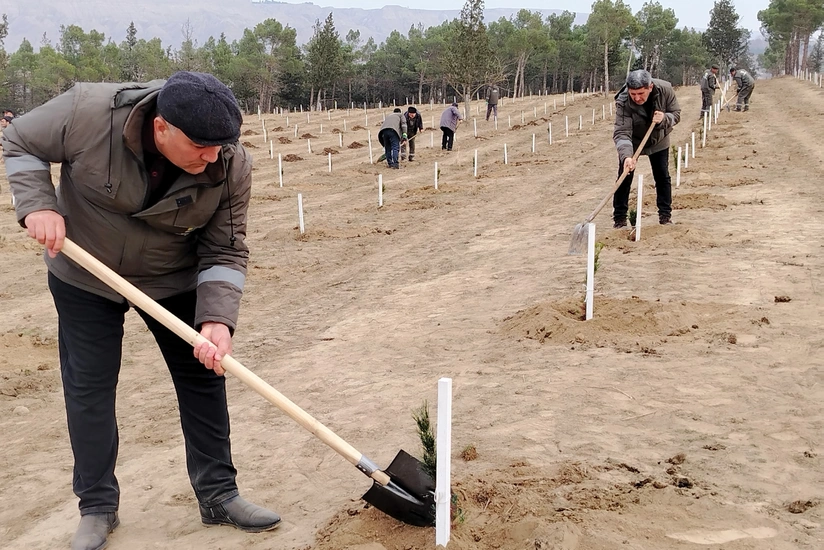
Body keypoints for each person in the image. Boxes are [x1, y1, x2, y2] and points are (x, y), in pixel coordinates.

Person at [2, 71, 281, 550]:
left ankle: (218, 494)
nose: (212, 157)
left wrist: (216, 320)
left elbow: (225, 249)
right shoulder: (87, 112)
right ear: (161, 127)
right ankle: (96, 507)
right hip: (86, 273)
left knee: (203, 376)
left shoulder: (231, 163)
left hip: (172, 277)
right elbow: (20, 140)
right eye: (200, 146)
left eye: (220, 146)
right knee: (89, 388)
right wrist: (37, 205)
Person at [612, 69, 681, 227]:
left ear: (650, 87)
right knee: (625, 175)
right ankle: (619, 219)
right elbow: (622, 132)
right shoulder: (623, 100)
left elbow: (676, 114)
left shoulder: (665, 90)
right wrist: (627, 157)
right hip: (633, 141)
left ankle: (665, 216)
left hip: (658, 138)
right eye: (633, 94)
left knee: (662, 176)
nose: (637, 98)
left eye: (641, 93)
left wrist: (664, 118)